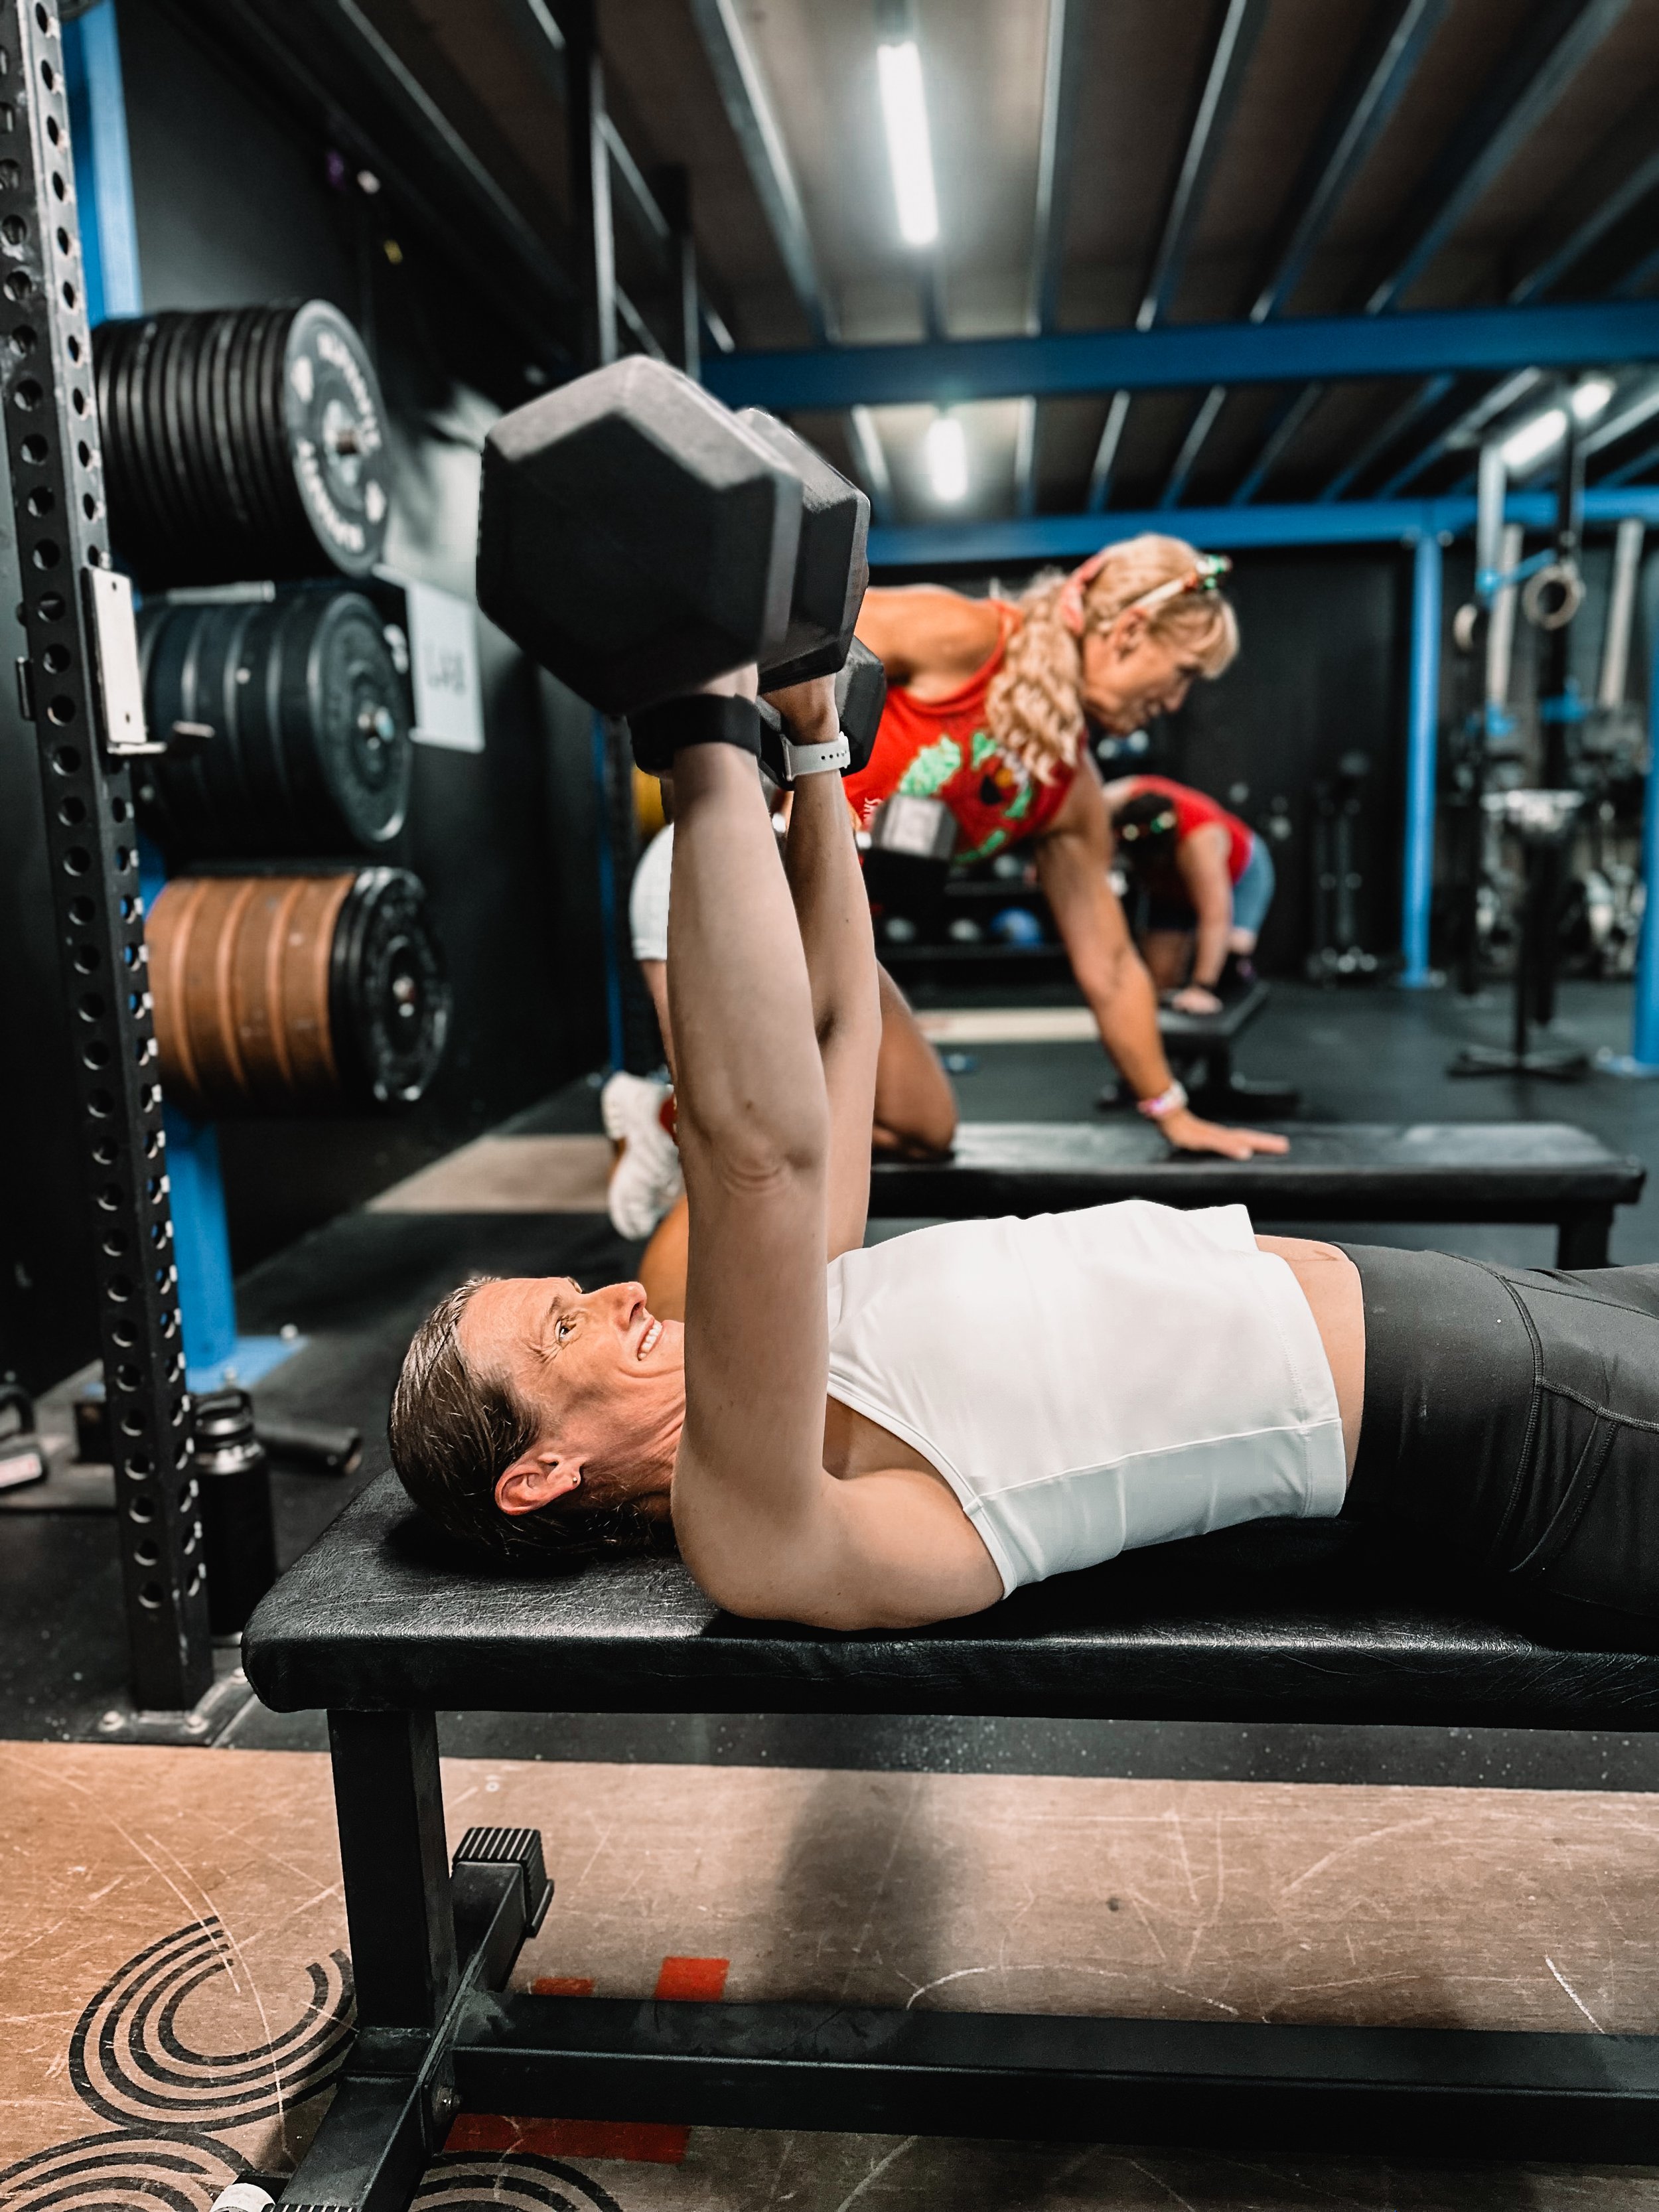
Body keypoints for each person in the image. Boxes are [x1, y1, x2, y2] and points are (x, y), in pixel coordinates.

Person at [390, 669, 1659, 1646]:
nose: (614, 1293)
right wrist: (709, 733)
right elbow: (752, 1146)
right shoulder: (748, 1523)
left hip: (1481, 1328)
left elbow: (839, 1031)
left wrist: (820, 746)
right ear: (538, 1474)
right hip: (1508, 1430)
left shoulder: (774, 1359)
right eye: (565, 1331)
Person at [853, 534, 1283, 1163]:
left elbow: (1110, 964)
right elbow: (783, 652)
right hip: (740, 884)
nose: (1174, 701)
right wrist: (777, 787)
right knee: (776, 1153)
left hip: (830, 938)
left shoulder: (1069, 790)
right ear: (1129, 631)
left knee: (925, 1129)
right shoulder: (963, 637)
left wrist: (1173, 1109)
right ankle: (719, 1125)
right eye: (1183, 672)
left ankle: (703, 1118)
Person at [601, 814, 958, 1321]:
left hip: (827, 890)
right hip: (731, 863)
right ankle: (675, 1360)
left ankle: (668, 1114)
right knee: (741, 1155)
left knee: (927, 1127)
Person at [1104, 774, 1277, 1015]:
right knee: (1159, 978)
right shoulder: (1111, 802)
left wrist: (1201, 987)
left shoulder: (1198, 842)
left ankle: (1232, 970)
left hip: (1239, 873)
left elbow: (1215, 917)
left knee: (1230, 952)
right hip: (1169, 886)